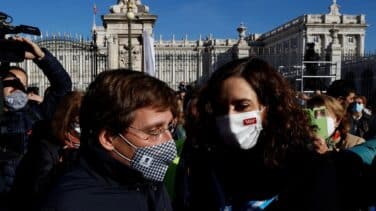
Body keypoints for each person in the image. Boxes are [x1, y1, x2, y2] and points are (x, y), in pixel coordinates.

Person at [175, 57, 339, 210]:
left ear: (267, 106)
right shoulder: (205, 162)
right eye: (221, 108)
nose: (231, 117)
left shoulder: (309, 166)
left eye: (242, 106)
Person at [40, 69, 177, 211]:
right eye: (154, 131)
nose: (169, 140)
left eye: (170, 127)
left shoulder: (148, 181)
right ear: (108, 139)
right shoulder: (70, 204)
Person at [0, 36, 72, 198]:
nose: (18, 88)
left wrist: (41, 58)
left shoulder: (37, 113)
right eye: (13, 83)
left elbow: (63, 86)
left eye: (22, 85)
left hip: (30, 196)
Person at [10, 91, 83, 210]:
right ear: (66, 121)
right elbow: (39, 192)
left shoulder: (87, 146)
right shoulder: (45, 150)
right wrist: (62, 167)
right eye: (79, 123)